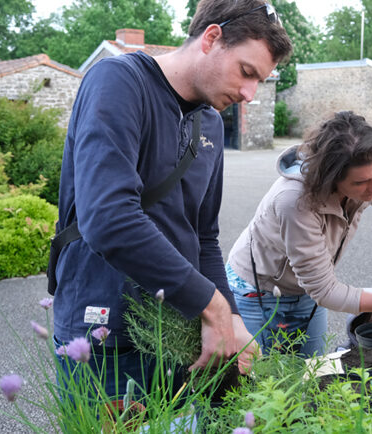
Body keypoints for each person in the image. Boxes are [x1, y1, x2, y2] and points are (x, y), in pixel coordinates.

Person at [52, 0, 292, 400]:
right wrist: (212, 306)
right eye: (247, 72)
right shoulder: (118, 82)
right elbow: (108, 218)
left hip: (178, 334)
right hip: (104, 341)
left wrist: (231, 317)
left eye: (260, 82)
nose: (250, 93)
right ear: (212, 38)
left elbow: (204, 238)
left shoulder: (211, 123)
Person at [226, 111, 372, 357]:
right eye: (360, 183)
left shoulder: (371, 172)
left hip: (307, 291)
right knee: (259, 381)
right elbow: (326, 291)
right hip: (256, 290)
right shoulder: (293, 201)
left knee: (309, 371)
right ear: (330, 179)